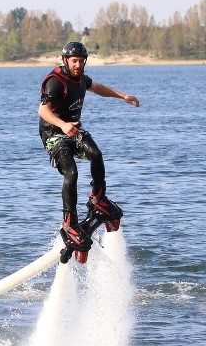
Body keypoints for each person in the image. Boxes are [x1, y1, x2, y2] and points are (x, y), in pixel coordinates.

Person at [38, 41, 141, 248]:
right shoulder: (55, 82)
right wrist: (63, 125)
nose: (78, 65)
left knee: (96, 154)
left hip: (73, 131)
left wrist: (123, 96)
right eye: (74, 61)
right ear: (65, 61)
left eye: (81, 61)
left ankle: (98, 198)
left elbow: (98, 88)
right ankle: (69, 222)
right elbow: (42, 111)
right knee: (72, 172)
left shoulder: (81, 79)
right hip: (54, 135)